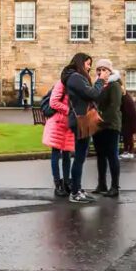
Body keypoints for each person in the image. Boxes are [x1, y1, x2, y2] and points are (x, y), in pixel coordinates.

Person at [63, 52, 103, 204]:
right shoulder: (75, 78)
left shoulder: (76, 77)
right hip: (80, 120)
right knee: (79, 158)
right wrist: (100, 80)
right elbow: (92, 93)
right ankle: (75, 192)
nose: (89, 67)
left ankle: (78, 189)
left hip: (81, 119)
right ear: (81, 63)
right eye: (88, 64)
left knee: (81, 156)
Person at [91, 61, 123, 198]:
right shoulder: (98, 85)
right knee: (100, 155)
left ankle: (114, 186)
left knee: (112, 156)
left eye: (104, 69)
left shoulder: (114, 85)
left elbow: (114, 106)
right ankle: (102, 184)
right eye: (98, 69)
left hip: (111, 125)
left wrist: (102, 119)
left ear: (110, 71)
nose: (100, 72)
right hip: (98, 125)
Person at [42, 69, 74, 199]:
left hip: (68, 125)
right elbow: (53, 102)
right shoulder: (61, 84)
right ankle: (58, 184)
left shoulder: (74, 86)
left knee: (67, 154)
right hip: (57, 123)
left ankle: (66, 181)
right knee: (56, 153)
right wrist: (69, 111)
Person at [120, 90, 136, 160]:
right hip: (129, 120)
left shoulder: (125, 98)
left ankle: (130, 152)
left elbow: (122, 109)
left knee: (129, 136)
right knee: (126, 136)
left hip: (130, 121)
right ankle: (126, 151)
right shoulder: (125, 97)